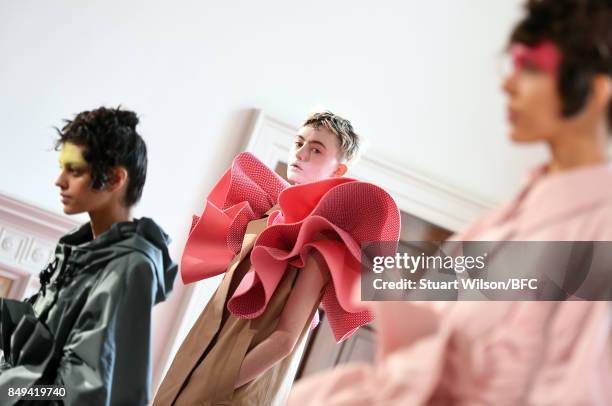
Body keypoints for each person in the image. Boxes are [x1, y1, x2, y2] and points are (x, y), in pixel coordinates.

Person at [288, 1, 612, 404]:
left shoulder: (599, 238)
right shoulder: (491, 227)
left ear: (595, 91)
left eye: (530, 68)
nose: (508, 85)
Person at [153, 111, 401, 405]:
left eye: (316, 149)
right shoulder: (267, 215)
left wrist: (215, 385)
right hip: (202, 354)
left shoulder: (322, 238)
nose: (301, 153)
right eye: (299, 143)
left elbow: (284, 340)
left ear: (338, 170)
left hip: (235, 384)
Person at [0, 107, 178, 405]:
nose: (60, 181)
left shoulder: (128, 267)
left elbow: (76, 392)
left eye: (75, 170)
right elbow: (45, 343)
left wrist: (8, 389)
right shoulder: (84, 250)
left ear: (115, 179)